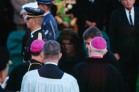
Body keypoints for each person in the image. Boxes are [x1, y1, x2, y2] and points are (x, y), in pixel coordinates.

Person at [109, 0, 139, 92]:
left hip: (136, 53)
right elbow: (112, 34)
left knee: (133, 79)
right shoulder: (116, 14)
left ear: (134, 0)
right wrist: (115, 52)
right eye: (125, 0)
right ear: (121, 2)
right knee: (122, 78)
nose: (128, 1)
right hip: (122, 54)